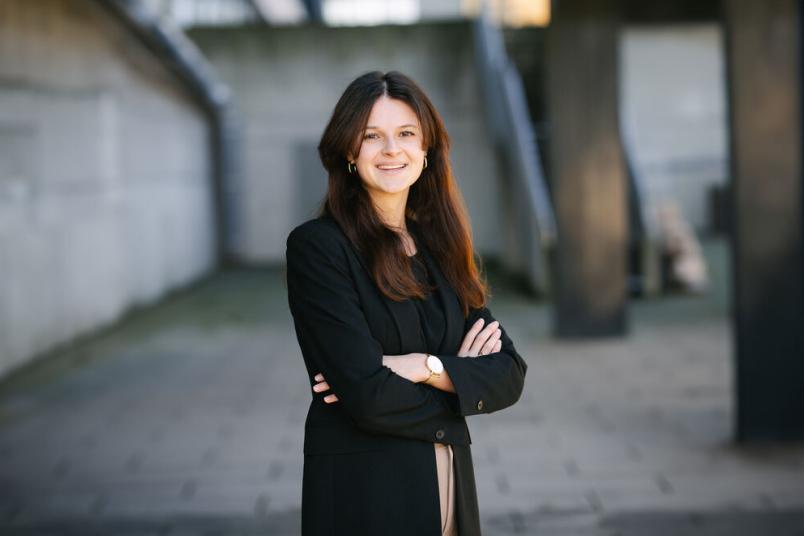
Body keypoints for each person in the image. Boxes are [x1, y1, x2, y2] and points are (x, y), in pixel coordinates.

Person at [286, 71, 527, 536]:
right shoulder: (319, 248)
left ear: (425, 150)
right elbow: (367, 398)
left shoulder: (440, 247)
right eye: (371, 136)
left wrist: (424, 365)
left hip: (451, 483)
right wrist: (459, 381)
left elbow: (509, 373)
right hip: (368, 491)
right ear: (349, 153)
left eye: (405, 134)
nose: (391, 149)